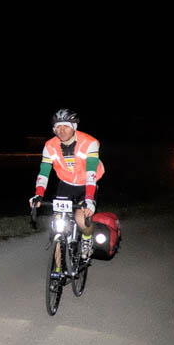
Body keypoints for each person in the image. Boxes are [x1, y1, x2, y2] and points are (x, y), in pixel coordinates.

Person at [28, 108, 104, 260]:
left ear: (74, 127)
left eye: (66, 126)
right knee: (58, 224)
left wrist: (89, 199)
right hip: (66, 184)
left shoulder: (90, 143)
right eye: (58, 127)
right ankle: (59, 264)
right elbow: (44, 172)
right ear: (54, 129)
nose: (61, 130)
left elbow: (91, 173)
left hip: (86, 184)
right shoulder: (50, 146)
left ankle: (87, 240)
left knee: (82, 219)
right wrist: (38, 194)